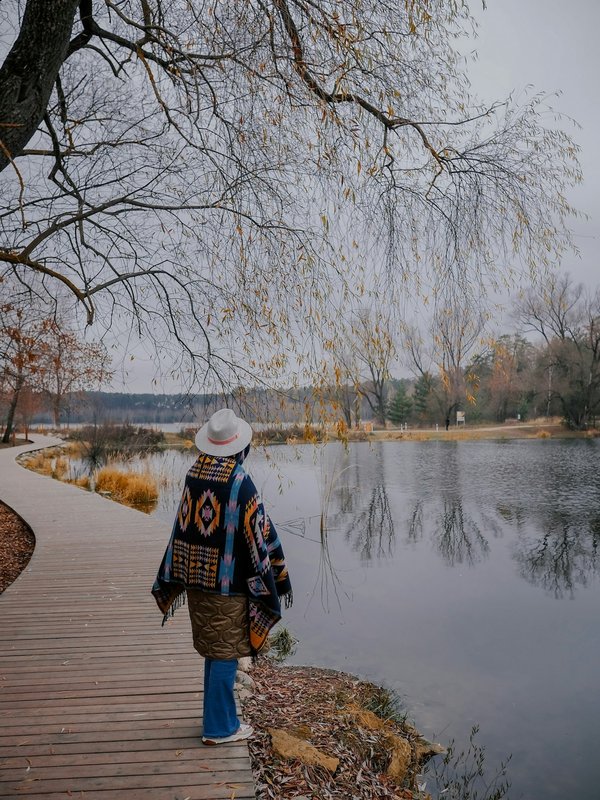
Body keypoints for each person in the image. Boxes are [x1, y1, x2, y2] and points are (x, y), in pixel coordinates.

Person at [152, 408, 292, 745]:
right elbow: (257, 535)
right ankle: (219, 729)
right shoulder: (240, 482)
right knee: (227, 652)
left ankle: (220, 719)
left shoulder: (194, 473)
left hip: (196, 581)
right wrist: (271, 580)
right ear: (238, 448)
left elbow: (184, 528)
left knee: (216, 651)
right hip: (229, 585)